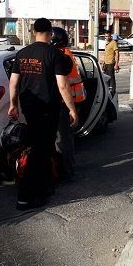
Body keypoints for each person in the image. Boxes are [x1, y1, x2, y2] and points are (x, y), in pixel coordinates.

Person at [8, 18, 78, 211]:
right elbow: (62, 85)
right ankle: (25, 197)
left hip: (29, 109)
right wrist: (72, 109)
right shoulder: (53, 54)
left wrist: (13, 105)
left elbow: (13, 83)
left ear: (33, 32)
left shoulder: (22, 54)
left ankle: (45, 187)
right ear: (50, 33)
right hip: (47, 110)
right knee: (39, 152)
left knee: (44, 149)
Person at [51, 27, 85, 182]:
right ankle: (62, 168)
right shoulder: (66, 53)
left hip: (67, 103)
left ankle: (67, 172)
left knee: (64, 140)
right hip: (72, 100)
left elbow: (62, 84)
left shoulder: (62, 57)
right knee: (64, 138)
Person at [102, 30, 120, 96]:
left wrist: (116, 64)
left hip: (111, 63)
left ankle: (113, 91)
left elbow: (117, 53)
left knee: (111, 77)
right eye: (106, 36)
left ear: (110, 36)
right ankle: (107, 90)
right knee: (106, 78)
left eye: (108, 36)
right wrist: (103, 63)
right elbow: (106, 54)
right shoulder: (106, 43)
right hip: (106, 63)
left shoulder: (113, 43)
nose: (107, 37)